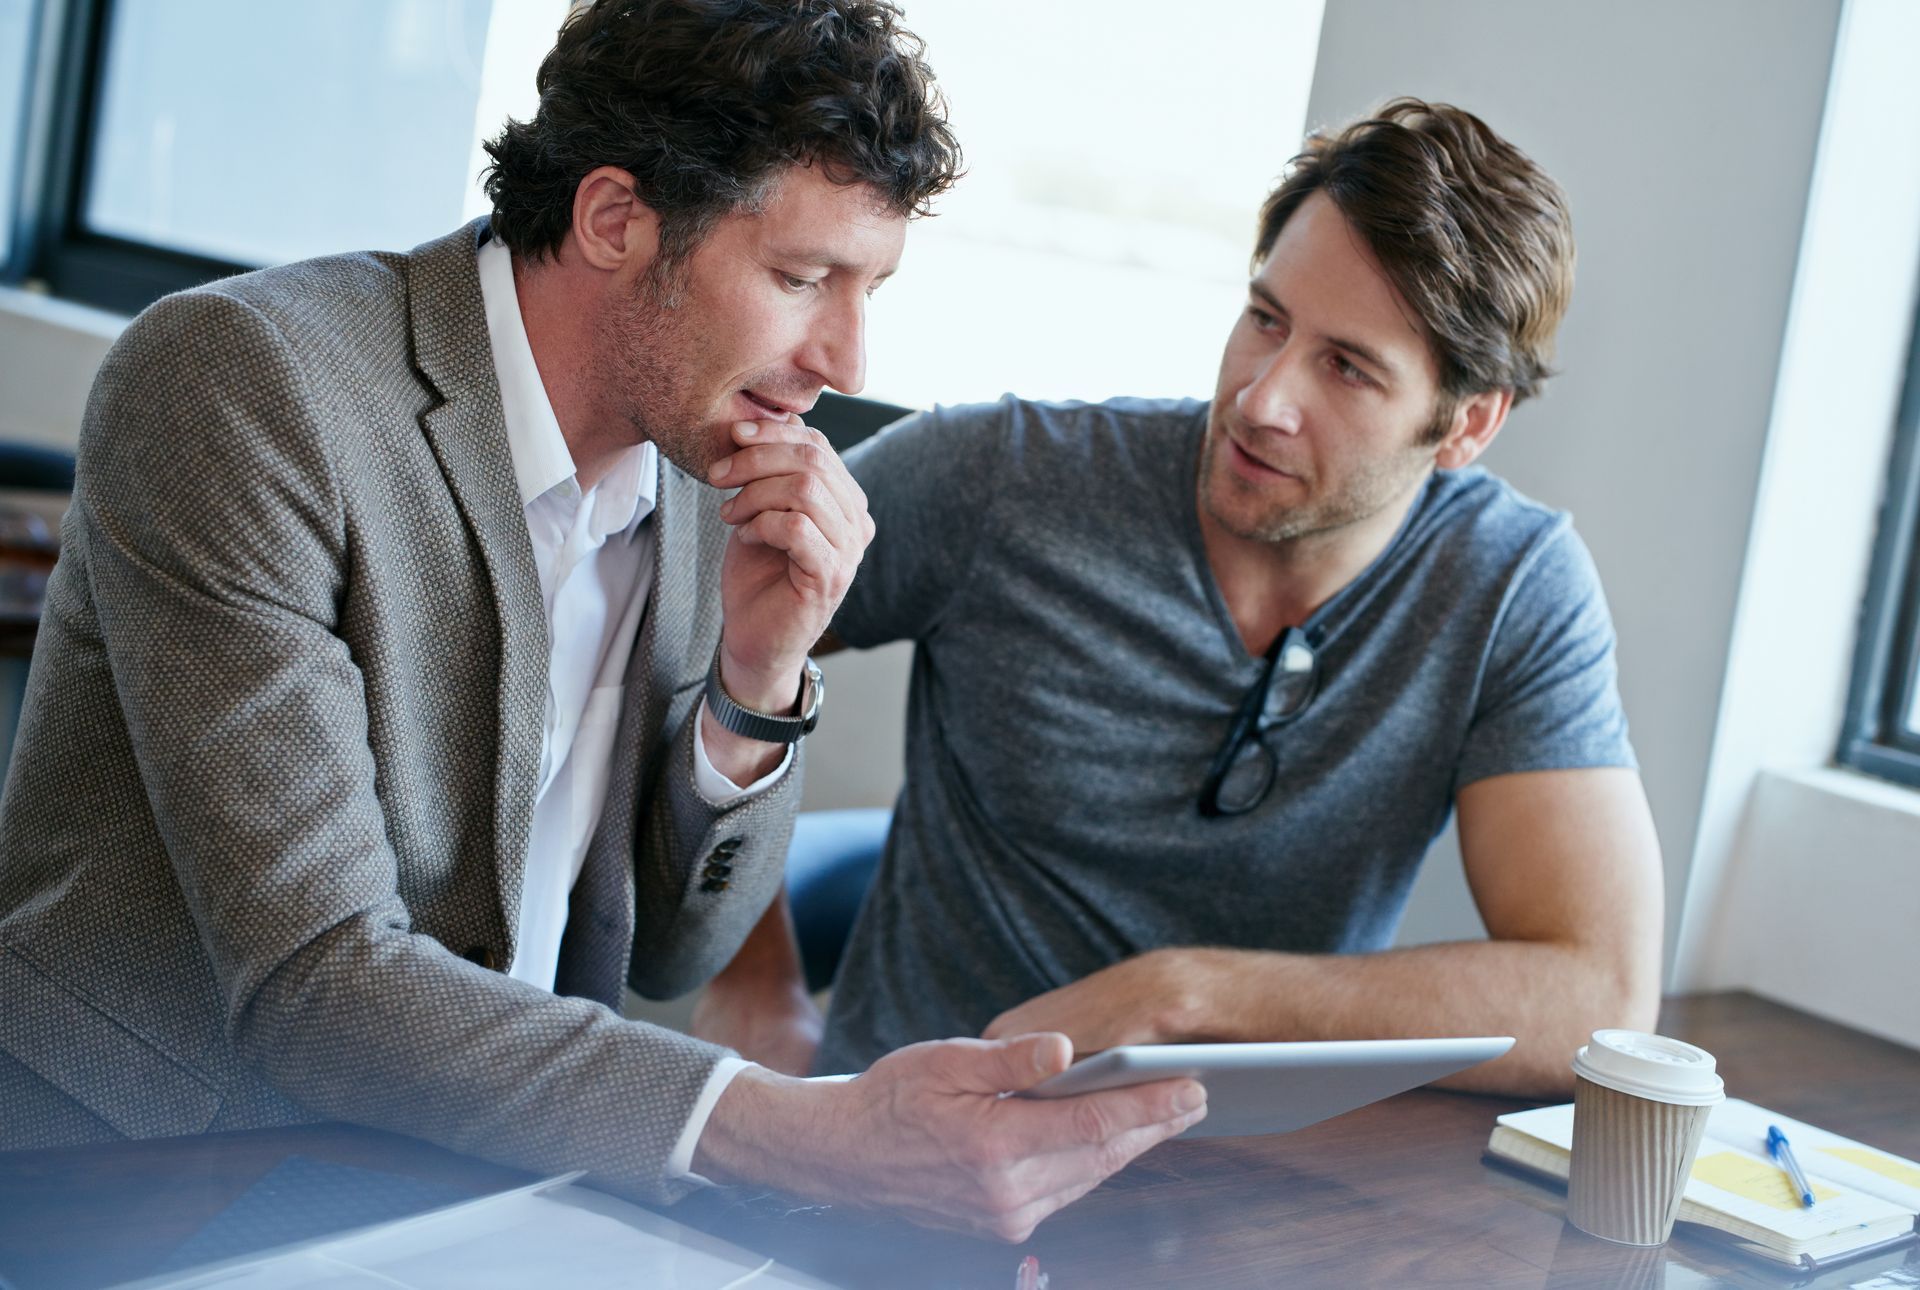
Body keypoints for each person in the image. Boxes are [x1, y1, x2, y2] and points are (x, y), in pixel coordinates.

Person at [0, 0, 1203, 1243]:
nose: (846, 354)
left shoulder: (700, 455)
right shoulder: (246, 386)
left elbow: (679, 955)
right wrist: (805, 1133)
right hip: (157, 1174)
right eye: (801, 279)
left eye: (870, 287)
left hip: (488, 1176)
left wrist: (759, 671)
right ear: (615, 219)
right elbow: (316, 982)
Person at [700, 99, 1664, 1094]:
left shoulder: (1511, 587)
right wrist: (755, 981)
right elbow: (687, 637)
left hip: (1243, 1196)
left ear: (1465, 426)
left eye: (1346, 368)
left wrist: (1186, 994)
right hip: (915, 1166)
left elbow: (1599, 999)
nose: (1262, 398)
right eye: (1266, 319)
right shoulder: (1001, 478)